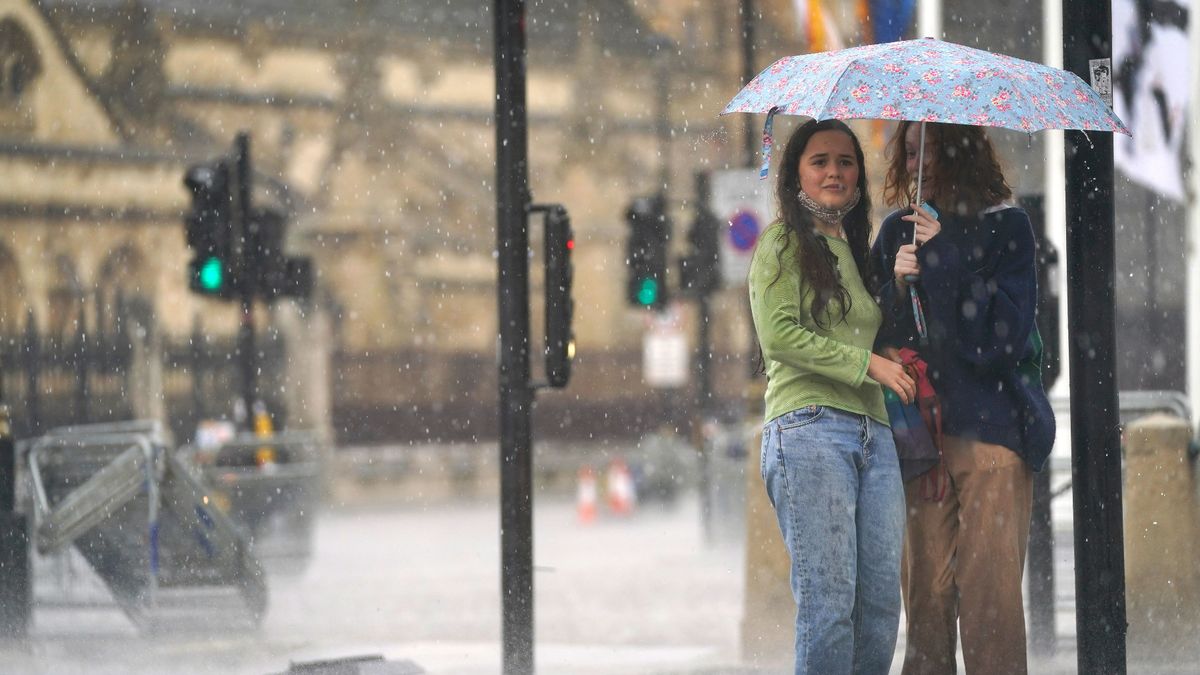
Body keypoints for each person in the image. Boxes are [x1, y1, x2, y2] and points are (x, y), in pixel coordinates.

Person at [869, 120, 1052, 675]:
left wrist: (945, 256)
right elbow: (876, 337)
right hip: (920, 440)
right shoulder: (896, 230)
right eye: (910, 148)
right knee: (925, 597)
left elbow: (1001, 338)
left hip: (991, 433)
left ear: (963, 150)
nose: (921, 160)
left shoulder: (1007, 227)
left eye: (933, 147)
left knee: (989, 596)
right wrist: (896, 286)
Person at [749, 118, 916, 674]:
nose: (834, 172)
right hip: (808, 427)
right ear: (797, 173)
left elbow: (870, 331)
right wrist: (865, 364)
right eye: (819, 161)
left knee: (879, 610)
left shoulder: (857, 251)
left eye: (845, 162)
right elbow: (780, 336)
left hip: (875, 434)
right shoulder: (781, 242)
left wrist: (899, 281)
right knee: (828, 608)